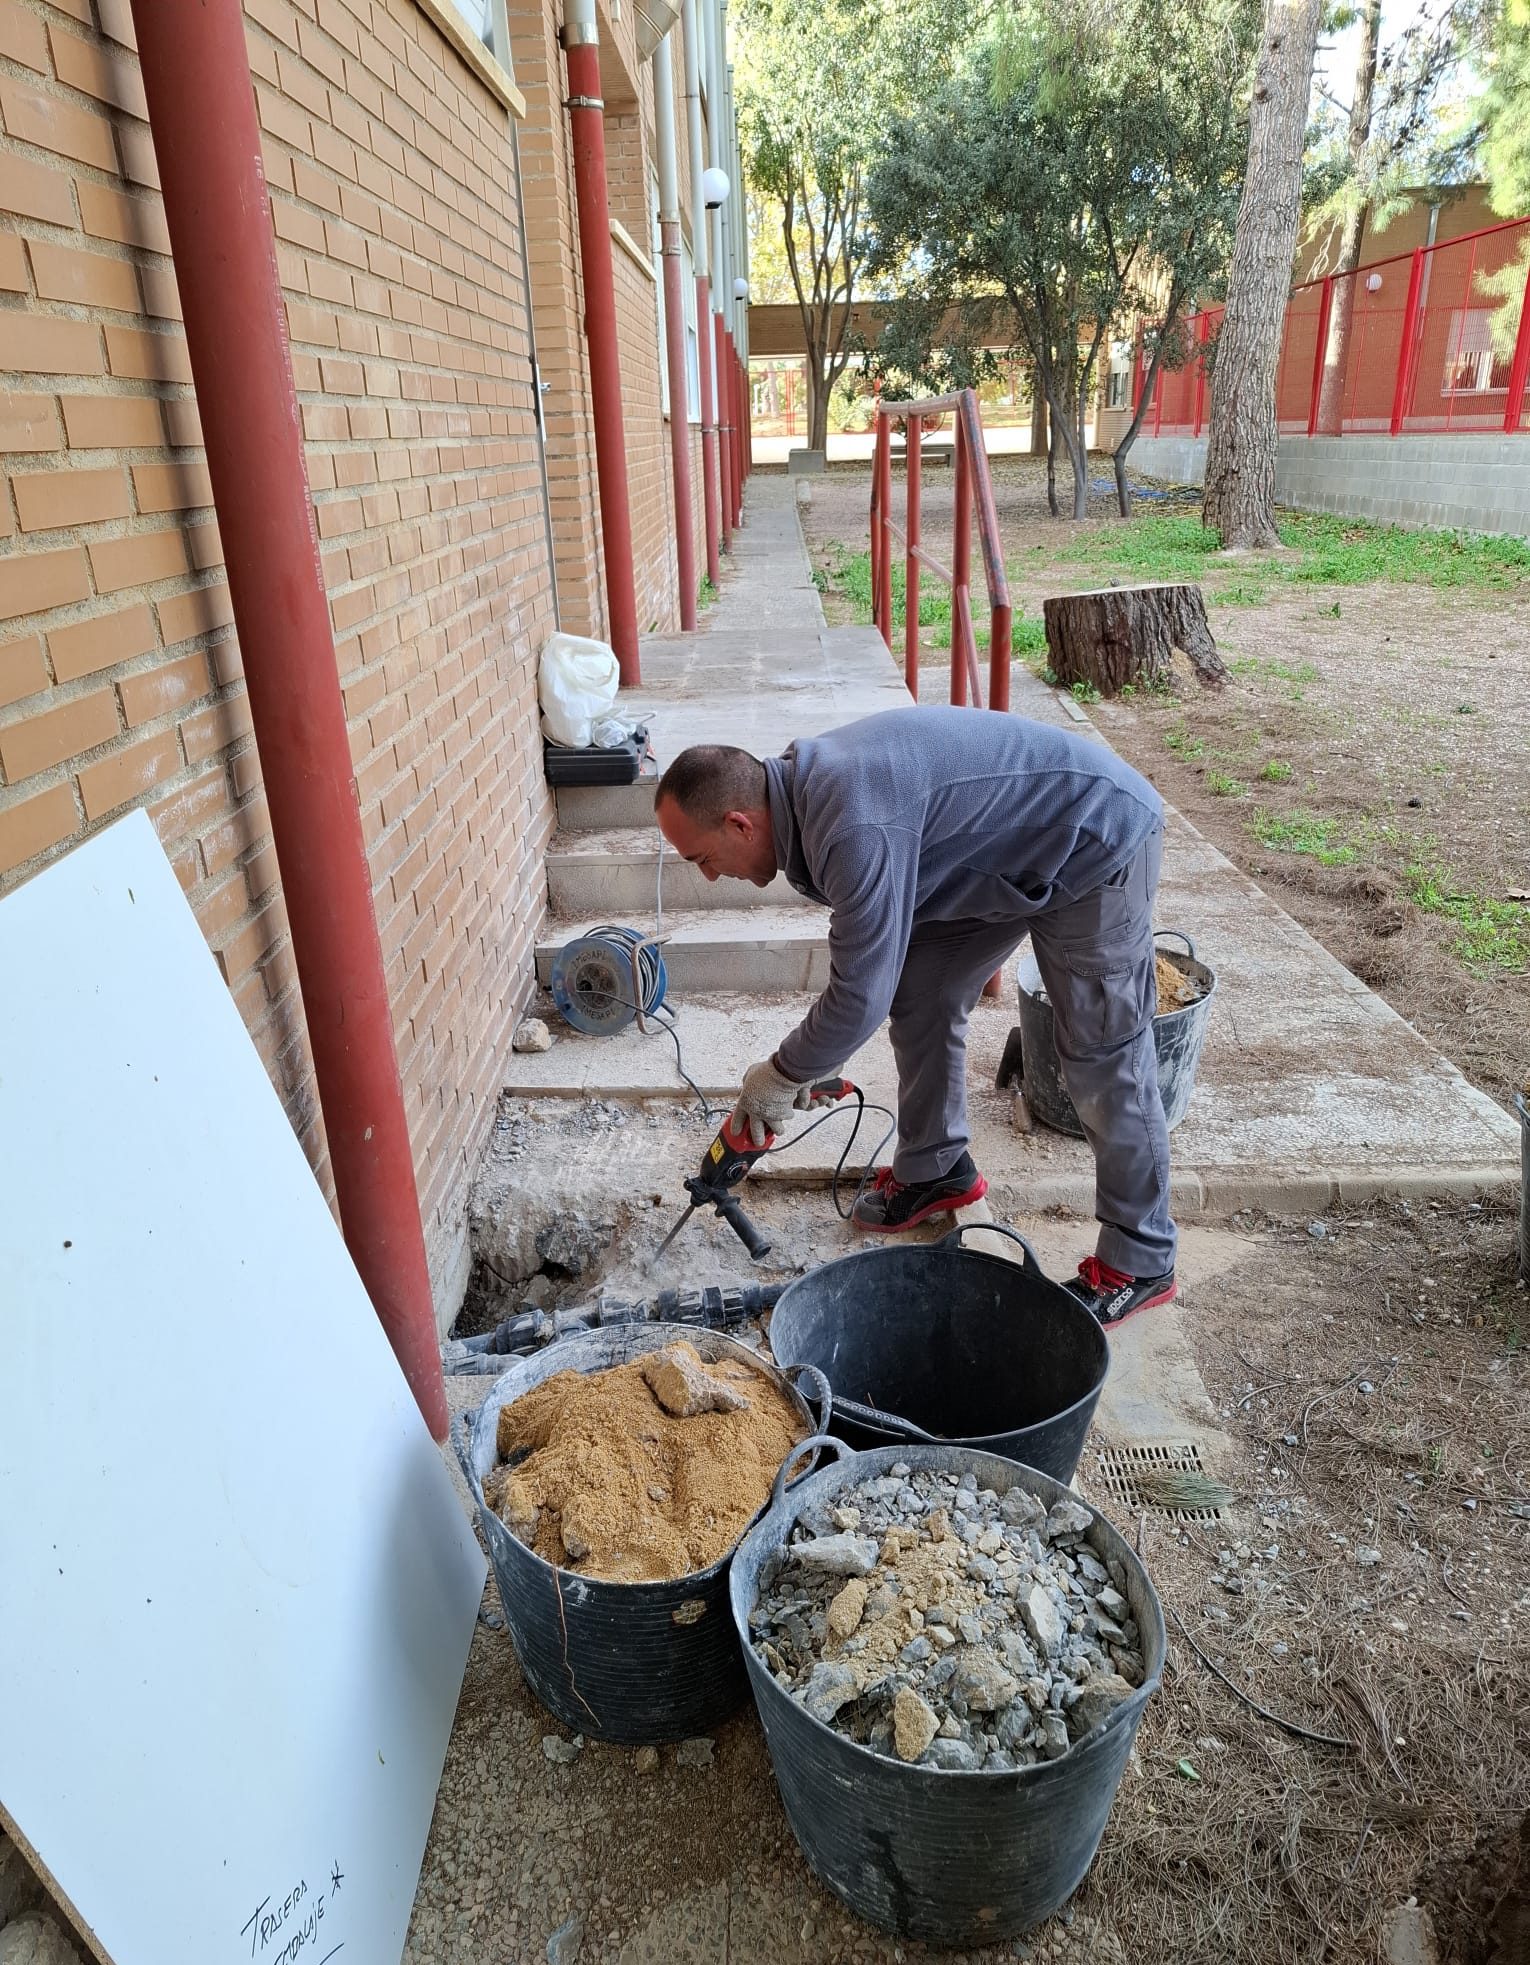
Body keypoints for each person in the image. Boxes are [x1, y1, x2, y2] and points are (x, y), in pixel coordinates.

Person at [653, 705, 1178, 1329]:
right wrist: (812, 1063)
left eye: (702, 858)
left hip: (1094, 840)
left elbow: (859, 995)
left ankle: (1141, 1260)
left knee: (1101, 1053)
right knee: (922, 991)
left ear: (740, 823)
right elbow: (876, 974)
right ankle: (936, 1168)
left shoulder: (850, 823)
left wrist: (780, 1075)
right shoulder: (807, 799)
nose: (710, 877)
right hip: (1007, 855)